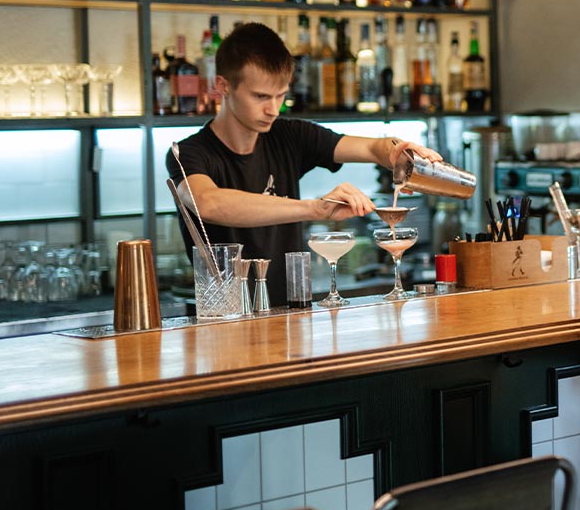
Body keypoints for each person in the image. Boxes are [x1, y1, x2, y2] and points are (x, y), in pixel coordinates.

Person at [166, 22, 441, 304]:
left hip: (292, 313)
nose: (273, 109)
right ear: (222, 85)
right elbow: (208, 203)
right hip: (225, 318)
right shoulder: (189, 153)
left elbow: (372, 147)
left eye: (281, 95)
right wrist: (316, 208)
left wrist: (397, 152)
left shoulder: (290, 135)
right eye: (260, 96)